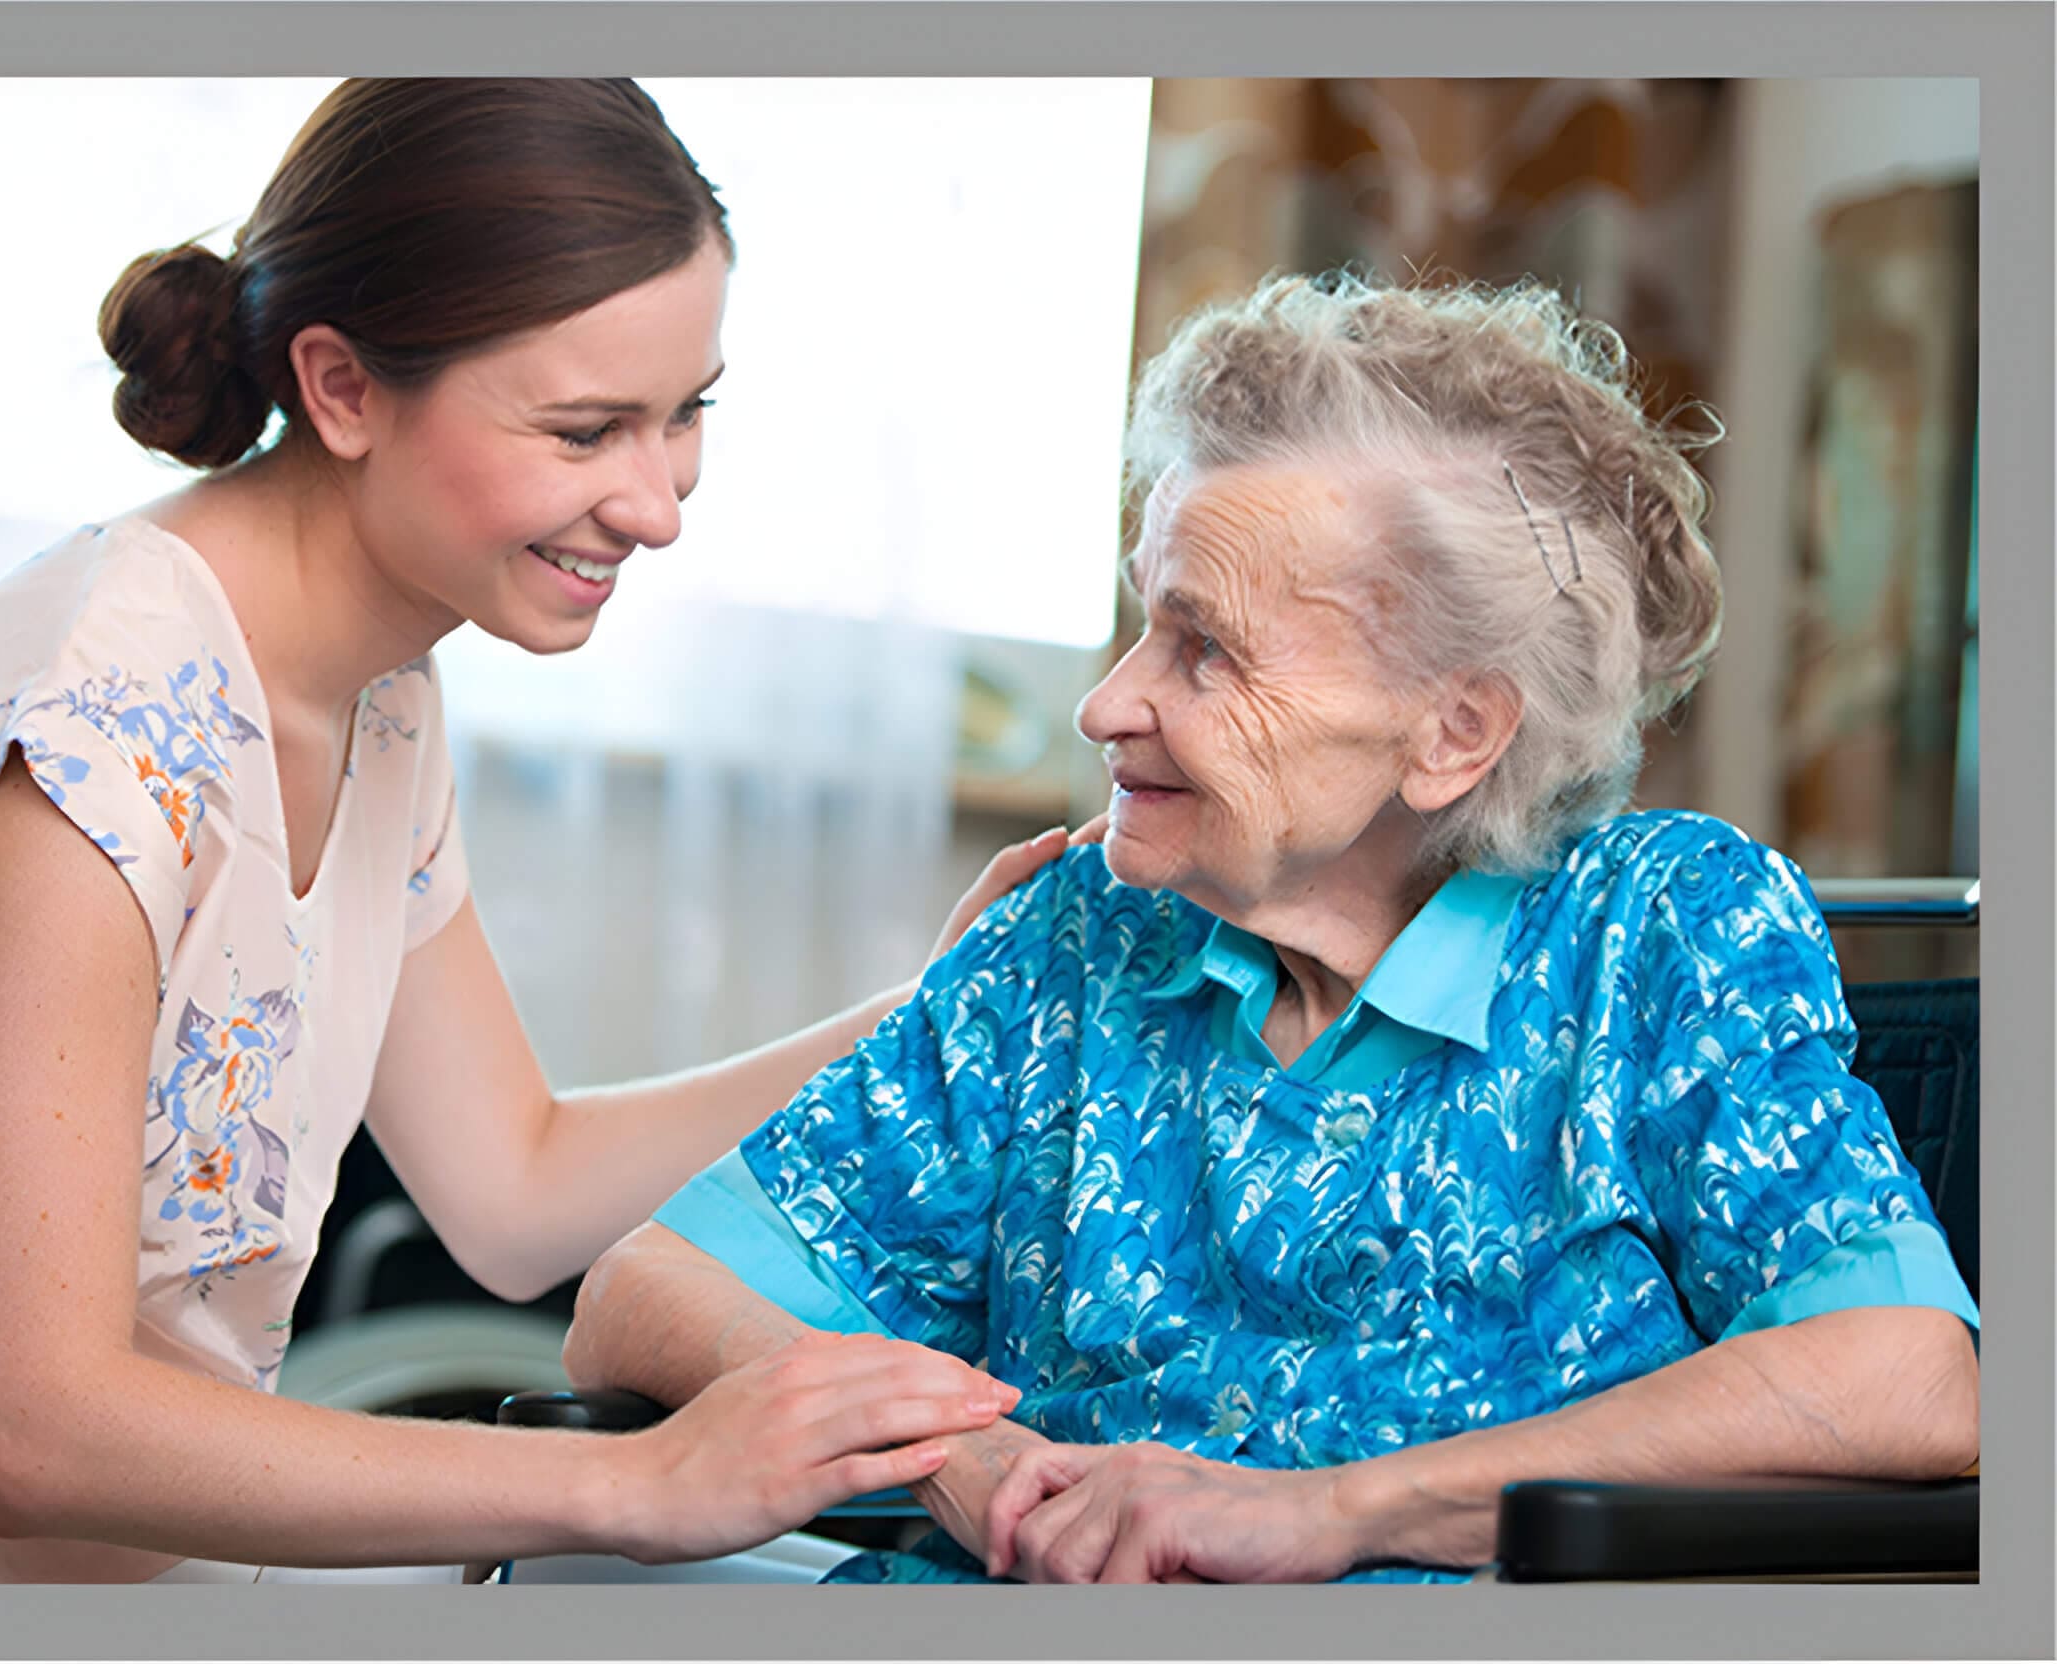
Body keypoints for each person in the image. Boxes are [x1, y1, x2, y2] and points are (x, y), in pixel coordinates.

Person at [0, 77, 1084, 1586]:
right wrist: (640, 1483)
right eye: (587, 430)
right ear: (345, 388)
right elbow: (40, 1434)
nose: (658, 503)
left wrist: (933, 1013)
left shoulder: (371, 689)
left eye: (686, 413)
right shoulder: (84, 746)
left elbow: (512, 1188)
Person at [561, 270, 1984, 1584]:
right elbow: (644, 1294)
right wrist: (962, 1459)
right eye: (1141, 626)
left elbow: (1896, 1374)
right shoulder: (1082, 936)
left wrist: (1328, 1515)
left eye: (1205, 648)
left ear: (1453, 731)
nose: (1107, 705)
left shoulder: (1658, 933)